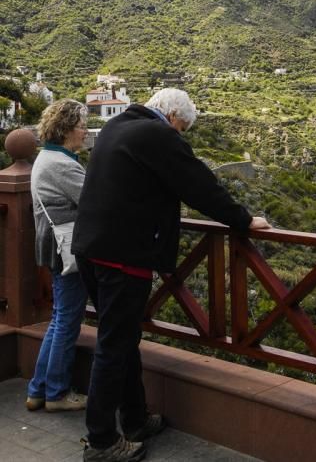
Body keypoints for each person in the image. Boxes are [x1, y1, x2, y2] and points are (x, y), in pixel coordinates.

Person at [72, 88, 271, 462]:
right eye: (182, 129)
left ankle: (135, 419)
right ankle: (100, 441)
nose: (181, 135)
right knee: (114, 346)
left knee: (121, 339)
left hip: (90, 249)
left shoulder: (117, 125)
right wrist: (244, 220)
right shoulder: (157, 134)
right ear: (174, 117)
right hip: (122, 254)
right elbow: (200, 186)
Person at [26, 99, 89, 412]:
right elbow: (94, 199)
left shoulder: (46, 158)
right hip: (66, 249)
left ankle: (39, 389)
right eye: (80, 125)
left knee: (59, 318)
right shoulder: (61, 165)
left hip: (52, 245)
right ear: (66, 129)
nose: (85, 130)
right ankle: (57, 393)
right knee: (67, 320)